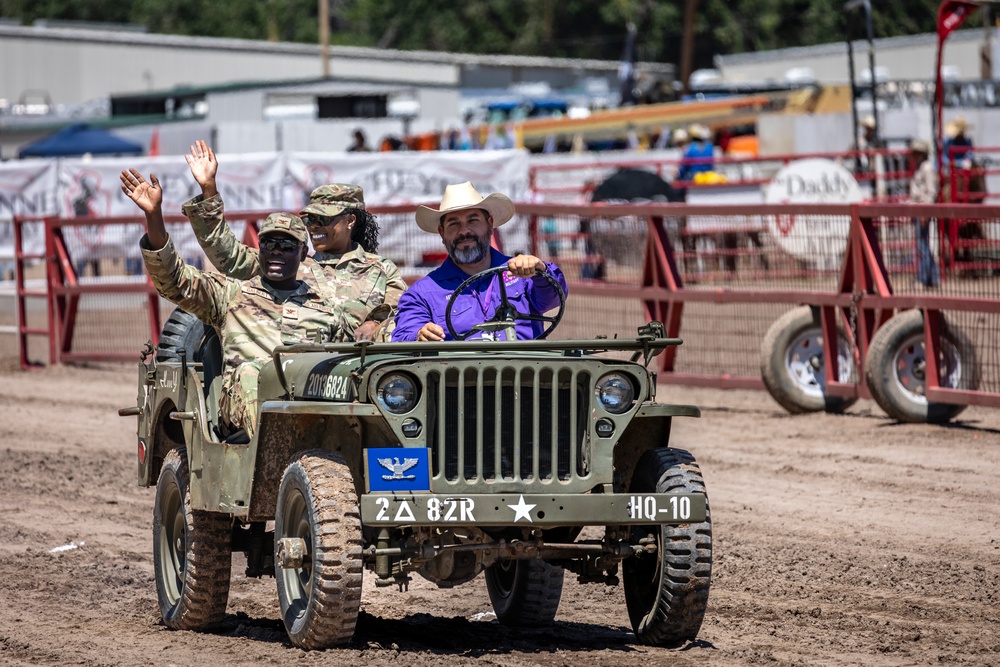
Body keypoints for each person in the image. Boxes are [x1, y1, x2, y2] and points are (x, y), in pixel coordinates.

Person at [120, 168, 348, 439]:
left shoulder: (326, 310)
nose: (276, 251)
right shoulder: (232, 295)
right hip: (245, 409)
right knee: (253, 372)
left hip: (308, 410)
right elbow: (175, 279)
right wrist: (153, 216)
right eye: (268, 244)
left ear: (303, 255)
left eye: (287, 246)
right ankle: (279, 445)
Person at [182, 141, 406, 341]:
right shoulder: (290, 263)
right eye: (309, 219)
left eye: (323, 218)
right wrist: (208, 189)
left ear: (349, 221)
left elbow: (404, 316)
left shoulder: (381, 269)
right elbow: (230, 256)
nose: (314, 226)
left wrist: (375, 324)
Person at [391, 182, 568, 342]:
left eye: (473, 221)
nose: (464, 231)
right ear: (441, 233)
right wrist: (418, 334)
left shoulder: (523, 273)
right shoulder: (422, 293)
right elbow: (403, 334)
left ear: (490, 224)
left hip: (527, 371)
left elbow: (554, 297)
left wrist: (541, 270)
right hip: (459, 375)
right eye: (453, 224)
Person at [908, 140, 940, 288]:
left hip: (922, 210)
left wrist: (924, 211)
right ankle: (934, 278)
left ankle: (922, 278)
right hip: (919, 209)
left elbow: (931, 191)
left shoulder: (926, 168)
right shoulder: (921, 167)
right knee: (924, 244)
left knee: (922, 245)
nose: (912, 155)